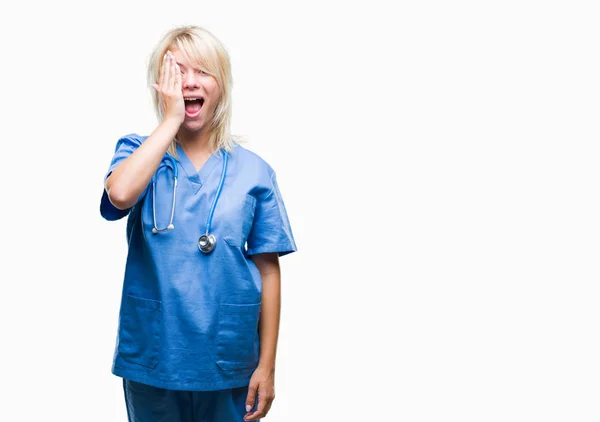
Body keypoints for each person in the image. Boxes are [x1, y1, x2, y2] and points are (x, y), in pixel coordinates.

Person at [100, 25, 297, 422]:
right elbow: (119, 195)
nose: (190, 82)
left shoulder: (254, 172)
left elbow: (268, 271)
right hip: (155, 357)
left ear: (221, 83)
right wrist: (170, 121)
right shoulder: (138, 151)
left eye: (202, 71)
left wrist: (268, 364)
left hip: (227, 360)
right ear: (161, 85)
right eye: (177, 71)